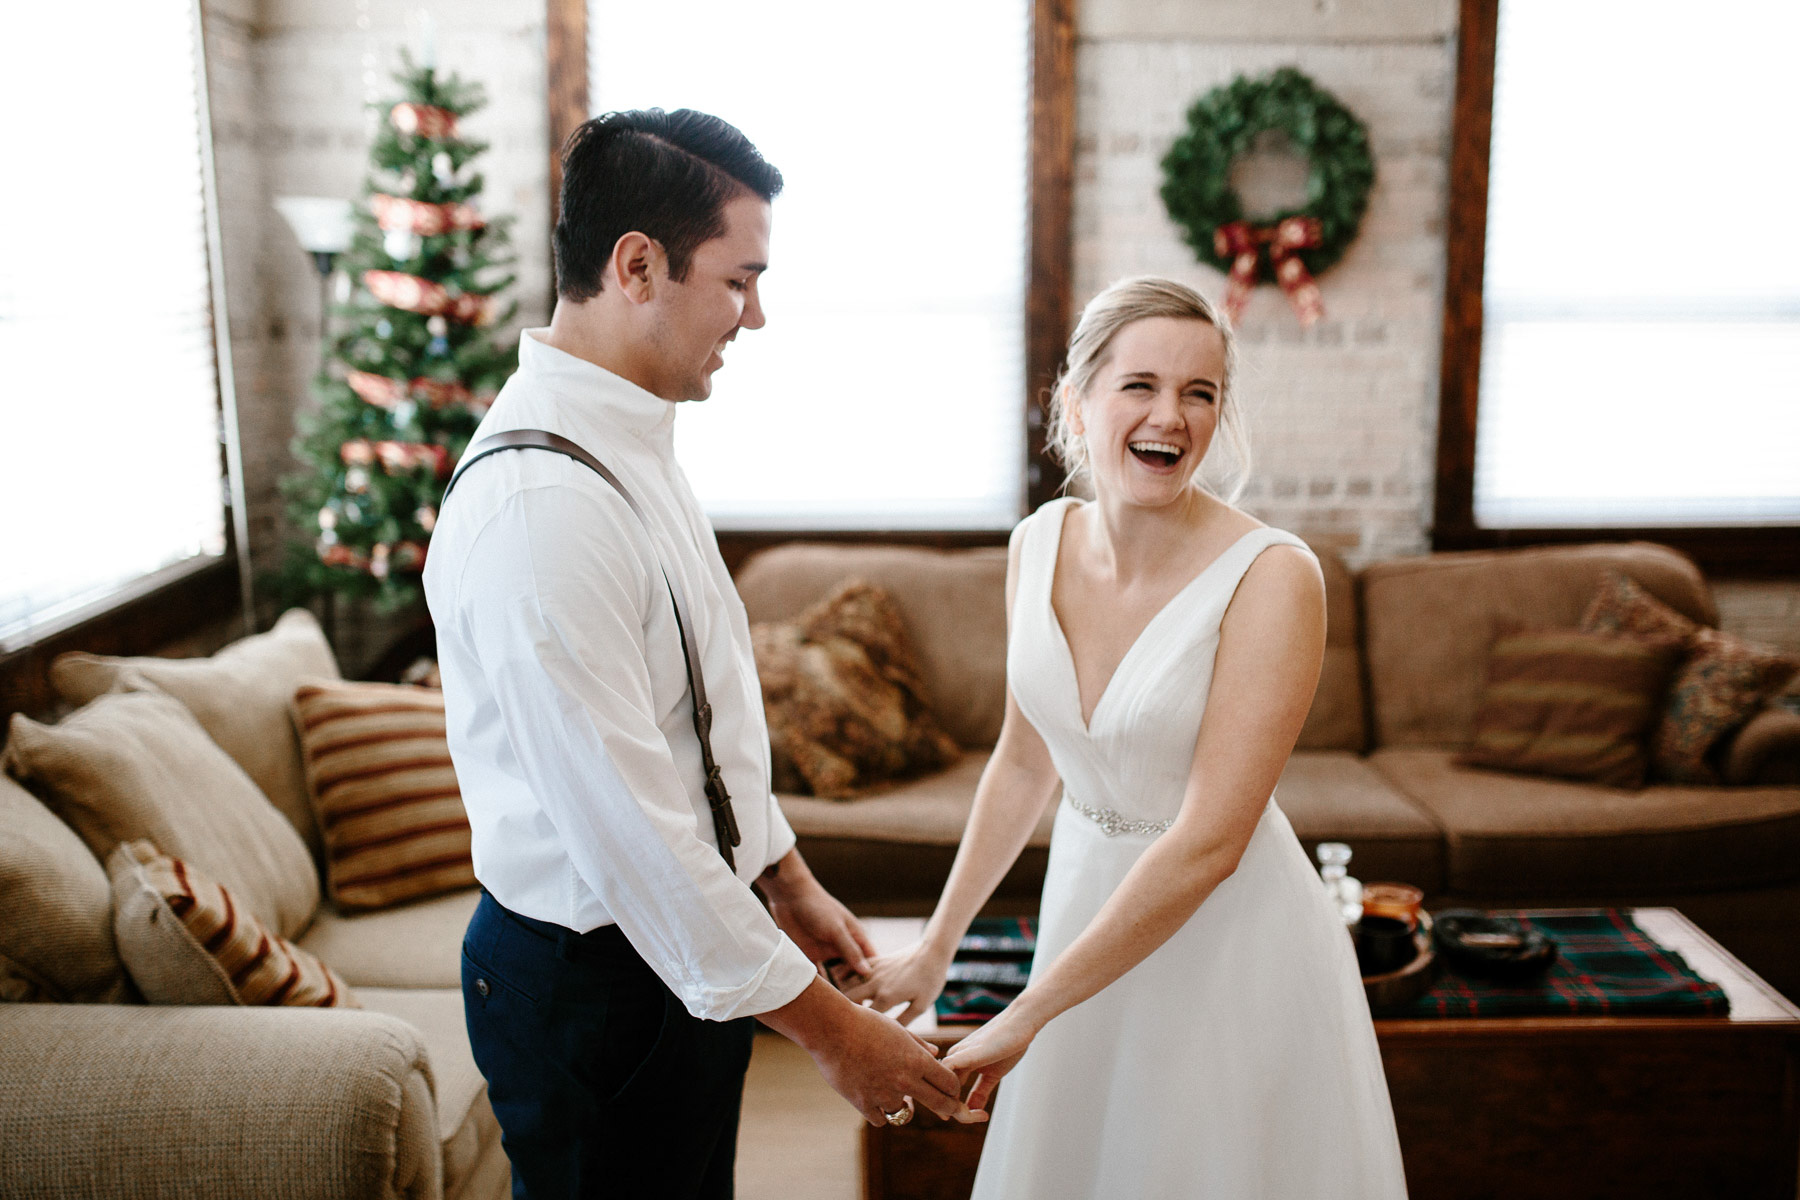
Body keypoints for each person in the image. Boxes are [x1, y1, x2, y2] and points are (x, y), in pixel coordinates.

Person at [423, 108, 964, 1200]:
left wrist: (787, 876)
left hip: (674, 962)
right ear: (637, 266)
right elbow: (639, 842)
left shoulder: (631, 435)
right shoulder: (540, 514)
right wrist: (837, 1038)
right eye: (738, 279)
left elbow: (704, 714)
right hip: (593, 986)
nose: (755, 316)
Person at [846, 277, 1409, 1197]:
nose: (1172, 417)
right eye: (1140, 385)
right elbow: (1025, 761)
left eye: (1201, 393)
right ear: (1076, 400)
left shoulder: (1273, 577)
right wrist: (939, 944)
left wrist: (1032, 1009)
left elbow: (1211, 841)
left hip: (1230, 935)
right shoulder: (1037, 543)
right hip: (1084, 898)